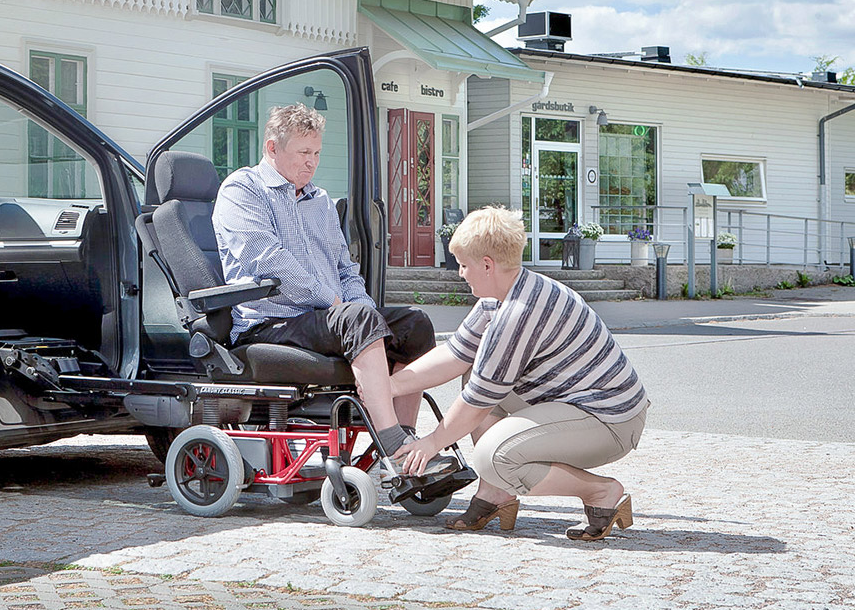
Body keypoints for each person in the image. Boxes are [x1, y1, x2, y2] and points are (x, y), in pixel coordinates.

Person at [391, 205, 648, 541]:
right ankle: (495, 493)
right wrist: (388, 386)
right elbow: (454, 355)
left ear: (487, 265)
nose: (460, 274)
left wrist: (430, 444)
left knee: (492, 457)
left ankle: (599, 492)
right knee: (475, 370)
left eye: (464, 265)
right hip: (581, 407)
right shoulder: (499, 298)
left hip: (611, 422)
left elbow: (476, 405)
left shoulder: (519, 314)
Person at [212, 103, 447, 464]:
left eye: (317, 153)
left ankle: (408, 438)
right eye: (304, 152)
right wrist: (335, 303)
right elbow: (268, 261)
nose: (312, 162)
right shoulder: (242, 190)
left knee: (415, 324)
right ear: (272, 148)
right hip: (270, 324)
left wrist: (365, 311)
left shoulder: (319, 200)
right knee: (356, 319)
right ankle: (392, 446)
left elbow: (345, 267)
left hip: (326, 320)